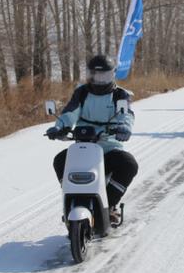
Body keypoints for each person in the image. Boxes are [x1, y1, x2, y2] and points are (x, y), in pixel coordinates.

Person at [46, 55, 138, 223]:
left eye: (105, 76)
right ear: (90, 75)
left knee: (129, 164)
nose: (100, 80)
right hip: (84, 147)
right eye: (96, 75)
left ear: (113, 75)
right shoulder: (81, 93)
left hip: (109, 147)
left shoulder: (120, 95)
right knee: (60, 160)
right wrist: (59, 127)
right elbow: (69, 113)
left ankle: (109, 205)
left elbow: (127, 115)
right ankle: (72, 197)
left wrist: (124, 127)